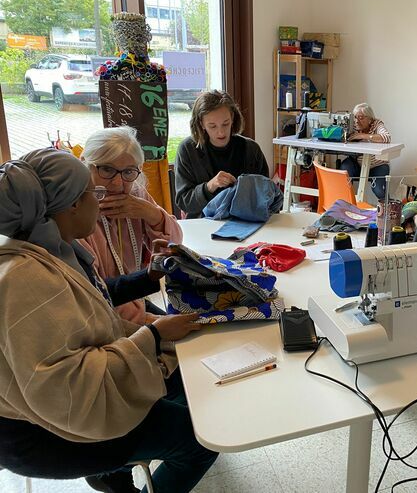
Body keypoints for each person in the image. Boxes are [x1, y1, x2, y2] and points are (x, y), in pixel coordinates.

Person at [0, 148, 217, 493]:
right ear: (71, 205)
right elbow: (67, 388)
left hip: (56, 408)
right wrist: (152, 336)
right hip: (40, 433)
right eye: (94, 192)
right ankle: (112, 470)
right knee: (199, 442)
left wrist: (147, 277)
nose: (101, 199)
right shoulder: (26, 279)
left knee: (185, 378)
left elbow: (93, 300)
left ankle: (116, 468)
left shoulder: (49, 248)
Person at [80, 126, 183, 324]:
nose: (118, 183)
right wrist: (148, 322)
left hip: (134, 299)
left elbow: (176, 243)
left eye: (128, 171)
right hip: (103, 315)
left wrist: (151, 213)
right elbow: (94, 292)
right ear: (86, 165)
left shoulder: (135, 193)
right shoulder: (77, 214)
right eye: (107, 169)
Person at [175, 90, 269, 217]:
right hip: (202, 225)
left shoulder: (251, 149)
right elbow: (183, 202)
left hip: (245, 222)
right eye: (212, 126)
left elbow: (266, 194)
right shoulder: (187, 150)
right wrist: (210, 186)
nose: (221, 132)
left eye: (225, 124)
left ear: (232, 118)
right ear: (201, 124)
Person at [340, 102, 392, 199]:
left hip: (378, 165)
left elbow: (386, 137)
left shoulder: (377, 124)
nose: (357, 121)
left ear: (370, 119)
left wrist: (362, 136)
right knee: (345, 169)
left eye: (361, 118)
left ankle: (389, 210)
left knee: (379, 190)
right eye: (355, 117)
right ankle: (345, 203)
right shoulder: (352, 125)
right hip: (357, 165)